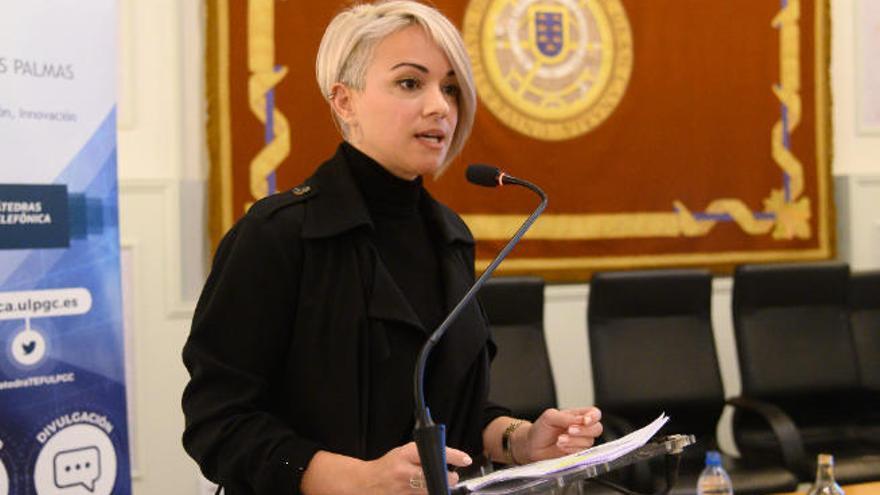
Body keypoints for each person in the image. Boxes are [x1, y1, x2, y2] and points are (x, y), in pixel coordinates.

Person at [181, 1, 603, 494]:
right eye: (410, 83)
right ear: (344, 101)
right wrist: (357, 480)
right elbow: (218, 423)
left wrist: (521, 440)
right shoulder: (277, 235)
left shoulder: (450, 235)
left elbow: (447, 407)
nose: (440, 106)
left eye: (449, 87)